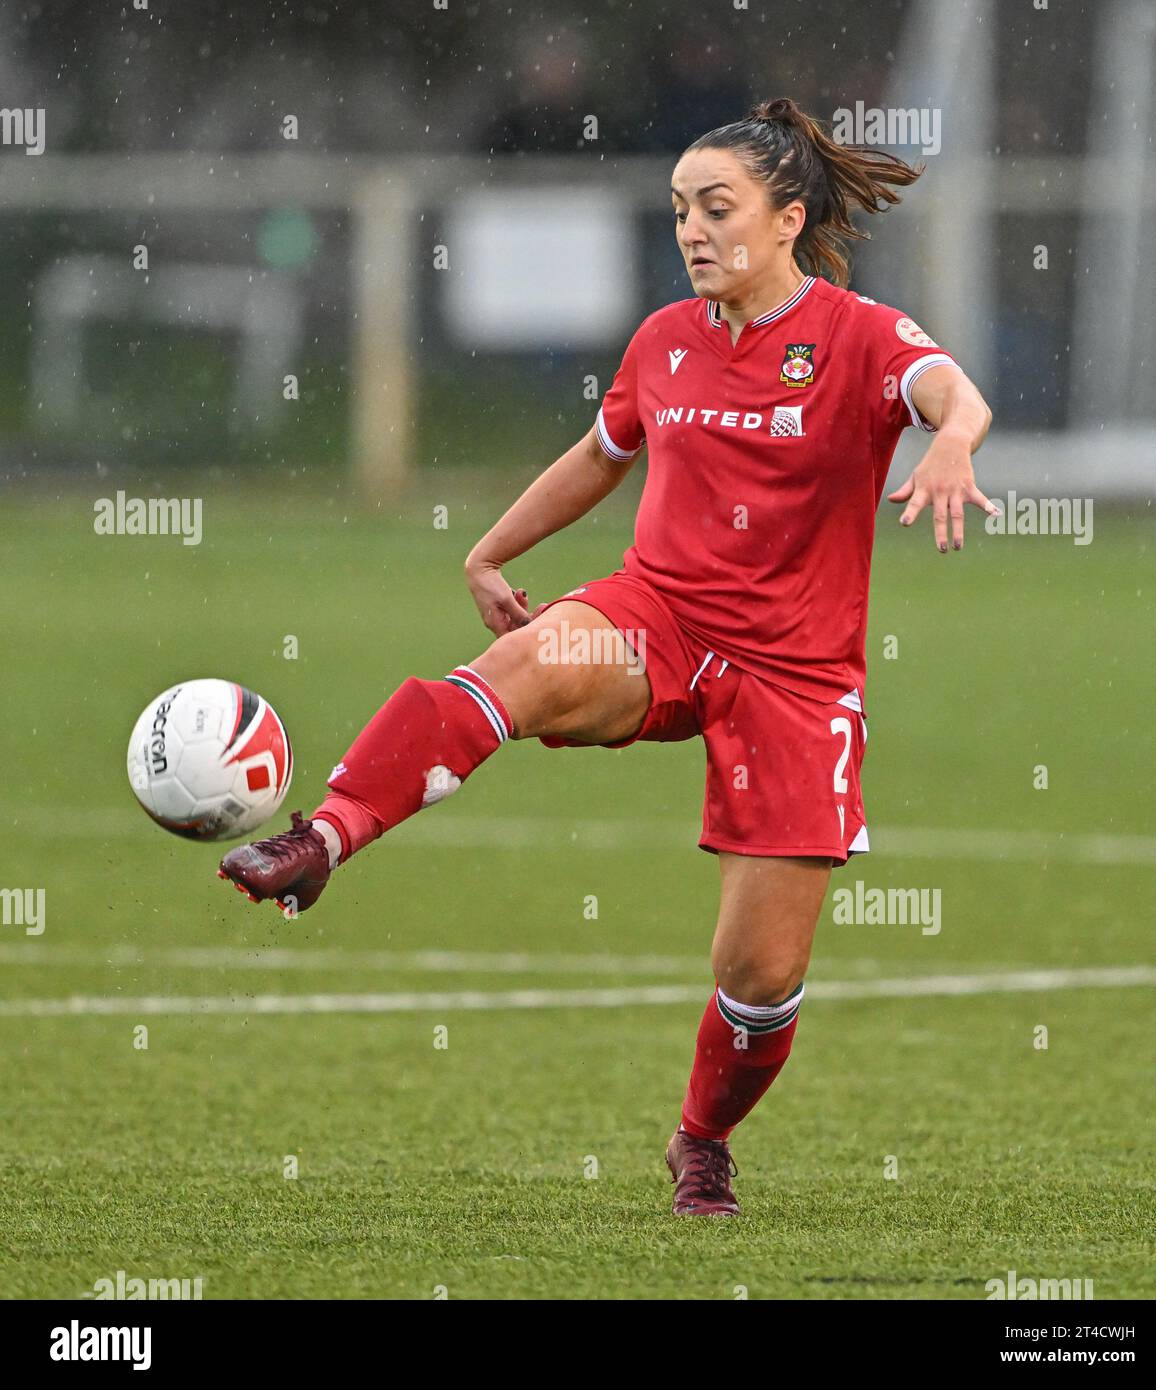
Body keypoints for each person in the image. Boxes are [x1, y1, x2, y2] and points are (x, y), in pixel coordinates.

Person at [218, 96, 994, 1217]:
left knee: (759, 978)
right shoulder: (665, 339)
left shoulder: (861, 335)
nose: (691, 229)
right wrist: (492, 550)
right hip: (658, 616)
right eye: (679, 208)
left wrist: (956, 441)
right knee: (527, 665)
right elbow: (600, 453)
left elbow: (947, 393)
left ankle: (701, 1138)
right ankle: (326, 833)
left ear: (785, 218)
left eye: (716, 207)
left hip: (796, 676)